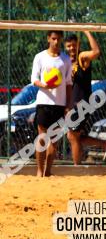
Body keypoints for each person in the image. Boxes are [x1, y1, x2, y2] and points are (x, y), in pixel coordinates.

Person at [64, 31, 106, 164]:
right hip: (76, 104)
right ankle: (105, 144)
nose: (71, 48)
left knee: (73, 136)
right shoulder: (67, 62)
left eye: (73, 45)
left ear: (78, 45)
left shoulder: (82, 56)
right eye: (68, 46)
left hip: (81, 103)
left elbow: (96, 52)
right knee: (74, 136)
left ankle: (77, 168)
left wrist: (87, 31)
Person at [31, 30, 72, 177]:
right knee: (42, 138)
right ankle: (39, 171)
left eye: (58, 39)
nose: (56, 42)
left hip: (59, 104)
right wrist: (45, 86)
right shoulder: (40, 57)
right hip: (44, 102)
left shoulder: (65, 59)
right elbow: (34, 79)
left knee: (54, 141)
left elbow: (68, 84)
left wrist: (68, 105)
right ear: (48, 38)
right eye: (53, 38)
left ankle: (48, 172)